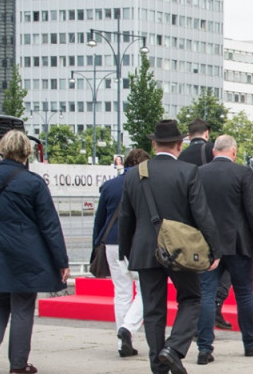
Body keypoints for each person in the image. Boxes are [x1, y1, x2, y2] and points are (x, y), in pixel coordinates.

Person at [118, 119, 221, 374]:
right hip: (179, 249)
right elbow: (202, 214)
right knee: (192, 297)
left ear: (153, 144)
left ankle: (158, 366)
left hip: (144, 249)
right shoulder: (187, 172)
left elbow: (125, 217)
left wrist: (126, 250)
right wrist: (214, 249)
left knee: (153, 309)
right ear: (179, 144)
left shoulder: (134, 174)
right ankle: (173, 349)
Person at [0, 130, 69, 374]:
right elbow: (49, 225)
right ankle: (18, 366)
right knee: (22, 305)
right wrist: (61, 261)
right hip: (25, 251)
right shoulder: (33, 183)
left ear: (2, 149)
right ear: (27, 152)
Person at [195, 135, 253, 365]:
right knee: (244, 294)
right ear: (234, 151)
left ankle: (204, 347)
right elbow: (252, 211)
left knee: (206, 295)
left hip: (208, 245)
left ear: (214, 151)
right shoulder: (242, 173)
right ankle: (250, 342)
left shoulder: (199, 173)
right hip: (238, 244)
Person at [92, 147, 150, 359]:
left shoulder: (109, 186)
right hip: (137, 243)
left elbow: (100, 220)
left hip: (111, 244)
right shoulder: (145, 184)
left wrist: (95, 246)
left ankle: (122, 342)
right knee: (147, 290)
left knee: (122, 292)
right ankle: (128, 328)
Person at [177, 118, 231, 330]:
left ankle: (195, 320)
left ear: (189, 136)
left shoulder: (180, 155)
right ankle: (215, 305)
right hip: (210, 216)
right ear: (207, 133)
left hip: (187, 218)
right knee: (223, 263)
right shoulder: (211, 151)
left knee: (194, 269)